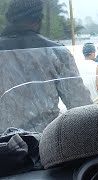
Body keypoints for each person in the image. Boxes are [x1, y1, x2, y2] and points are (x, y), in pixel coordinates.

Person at [0, 0, 92, 132]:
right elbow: (80, 104)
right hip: (44, 143)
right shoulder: (57, 52)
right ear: (39, 19)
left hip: (4, 144)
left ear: (9, 18)